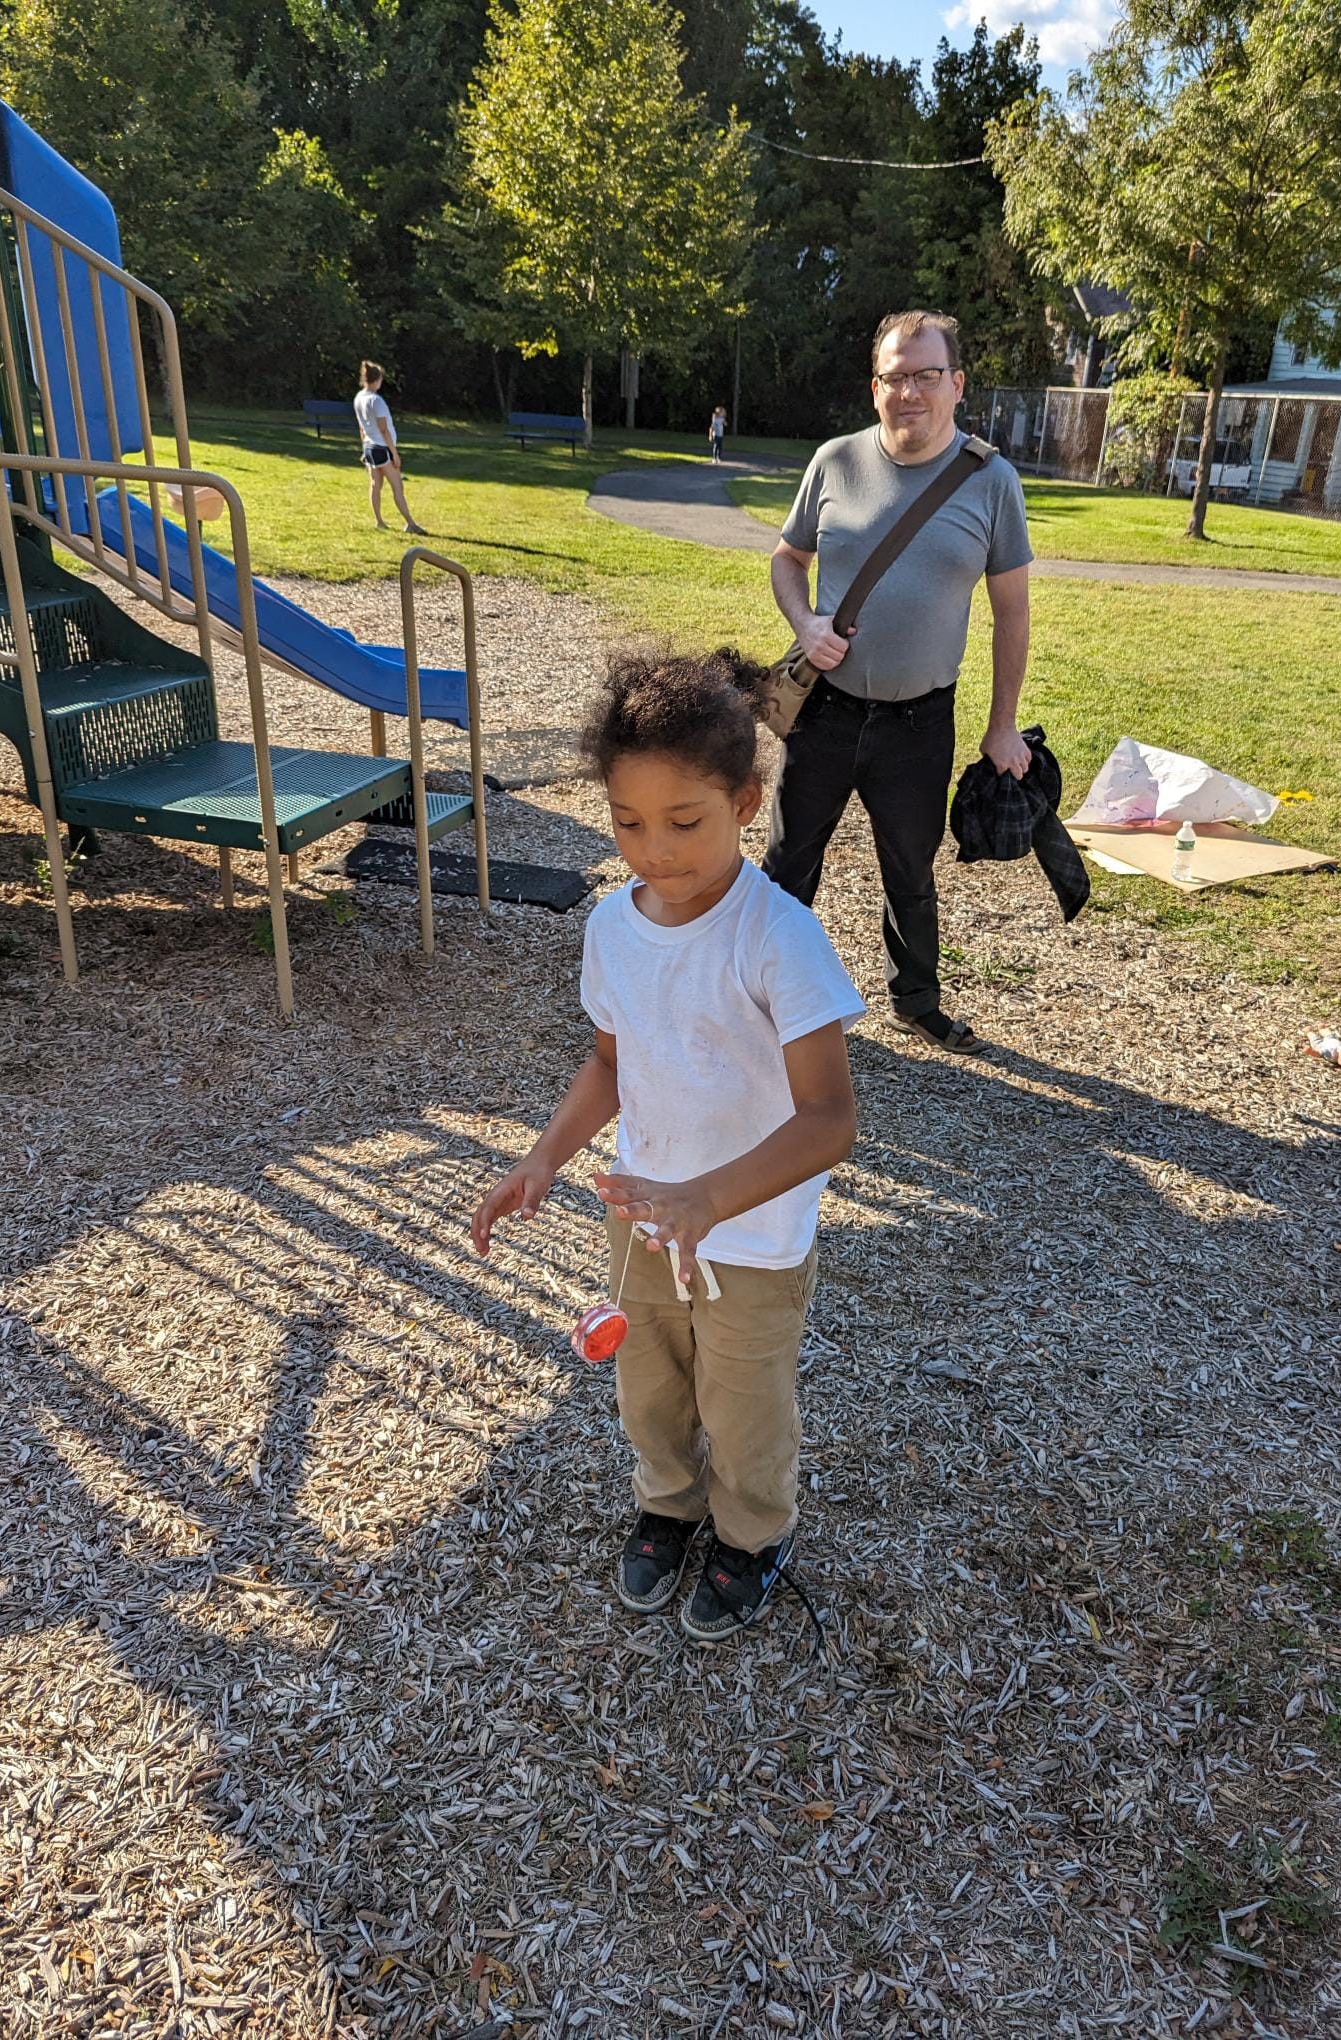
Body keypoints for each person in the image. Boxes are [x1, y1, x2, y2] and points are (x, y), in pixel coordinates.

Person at [471, 647, 862, 1644]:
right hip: (643, 1220)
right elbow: (611, 1064)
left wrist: (711, 1199)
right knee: (647, 1389)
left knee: (743, 1407)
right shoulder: (612, 927)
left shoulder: (779, 938)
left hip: (752, 1240)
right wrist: (542, 1158)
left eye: (685, 822)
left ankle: (752, 1534)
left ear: (746, 803)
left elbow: (830, 1118)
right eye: (628, 822)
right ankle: (669, 1506)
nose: (655, 850)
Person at [764, 310, 1034, 1057]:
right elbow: (787, 559)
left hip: (920, 723)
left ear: (957, 384)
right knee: (787, 864)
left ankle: (915, 1002)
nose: (909, 391)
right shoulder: (835, 461)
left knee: (911, 869)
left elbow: (1011, 612)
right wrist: (805, 624)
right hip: (825, 712)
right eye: (894, 377)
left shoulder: (992, 482)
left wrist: (1002, 725)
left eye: (926, 375)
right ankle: (762, 997)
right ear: (875, 387)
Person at [353, 360, 427, 536]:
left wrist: (364, 448)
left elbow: (362, 428)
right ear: (377, 380)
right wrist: (394, 454)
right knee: (397, 486)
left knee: (375, 485)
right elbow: (384, 429)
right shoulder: (376, 401)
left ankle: (379, 521)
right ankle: (410, 523)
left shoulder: (359, 398)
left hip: (369, 446)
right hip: (381, 448)